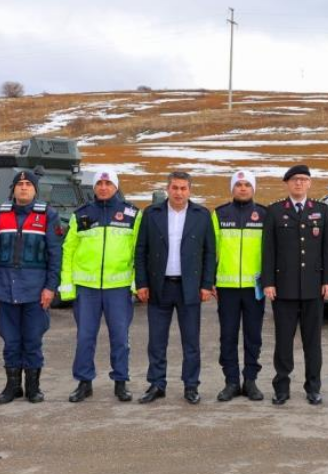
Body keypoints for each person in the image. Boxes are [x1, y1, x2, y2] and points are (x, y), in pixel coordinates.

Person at [0, 169, 63, 404]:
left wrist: (50, 287)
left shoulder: (48, 215)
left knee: (33, 340)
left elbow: (55, 255)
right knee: (11, 340)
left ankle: (33, 387)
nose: (23, 187)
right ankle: (12, 386)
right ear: (13, 188)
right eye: (20, 184)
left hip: (35, 291)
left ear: (35, 189)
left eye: (28, 184)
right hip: (5, 289)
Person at [135, 171, 216, 404]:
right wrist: (141, 283)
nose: (179, 192)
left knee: (191, 341)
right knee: (156, 340)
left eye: (183, 188)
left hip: (189, 288)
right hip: (159, 286)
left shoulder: (202, 215)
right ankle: (156, 384)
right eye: (175, 188)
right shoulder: (152, 214)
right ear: (167, 189)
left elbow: (210, 253)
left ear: (190, 190)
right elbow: (141, 251)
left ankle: (191, 386)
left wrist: (206, 284)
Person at [60, 170, 141, 403]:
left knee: (120, 338)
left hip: (119, 288)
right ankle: (84, 382)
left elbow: (139, 252)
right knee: (85, 337)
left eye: (108, 183)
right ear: (94, 187)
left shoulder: (132, 215)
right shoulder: (81, 215)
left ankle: (121, 382)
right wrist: (67, 286)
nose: (103, 187)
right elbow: (69, 251)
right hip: (87, 289)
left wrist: (136, 284)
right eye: (99, 183)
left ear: (116, 186)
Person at [261, 164, 328, 406]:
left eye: (304, 180)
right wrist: (269, 282)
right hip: (284, 289)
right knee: (283, 342)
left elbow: (327, 249)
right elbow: (268, 251)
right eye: (295, 180)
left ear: (310, 183)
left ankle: (313, 387)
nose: (299, 184)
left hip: (314, 288)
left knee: (312, 342)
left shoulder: (321, 211)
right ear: (287, 183)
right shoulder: (274, 211)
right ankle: (281, 388)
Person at [211, 170, 267, 402]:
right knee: (228, 336)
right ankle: (231, 382)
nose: (242, 188)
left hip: (255, 288)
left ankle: (251, 381)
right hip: (227, 288)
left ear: (253, 188)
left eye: (247, 184)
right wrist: (209, 280)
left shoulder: (264, 214)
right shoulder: (219, 214)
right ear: (232, 188)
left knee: (253, 336)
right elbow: (210, 250)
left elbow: (271, 252)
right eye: (238, 184)